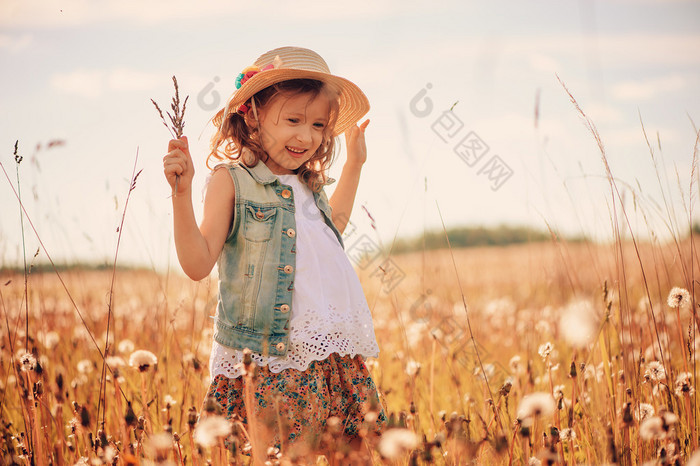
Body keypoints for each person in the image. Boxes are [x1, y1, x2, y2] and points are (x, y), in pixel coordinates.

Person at [162, 46, 386, 455]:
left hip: (331, 353)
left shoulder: (309, 185)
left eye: (319, 124)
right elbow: (197, 263)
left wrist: (354, 164)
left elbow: (332, 228)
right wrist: (182, 193)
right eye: (293, 120)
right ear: (252, 115)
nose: (307, 136)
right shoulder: (232, 181)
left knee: (358, 454)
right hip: (270, 361)